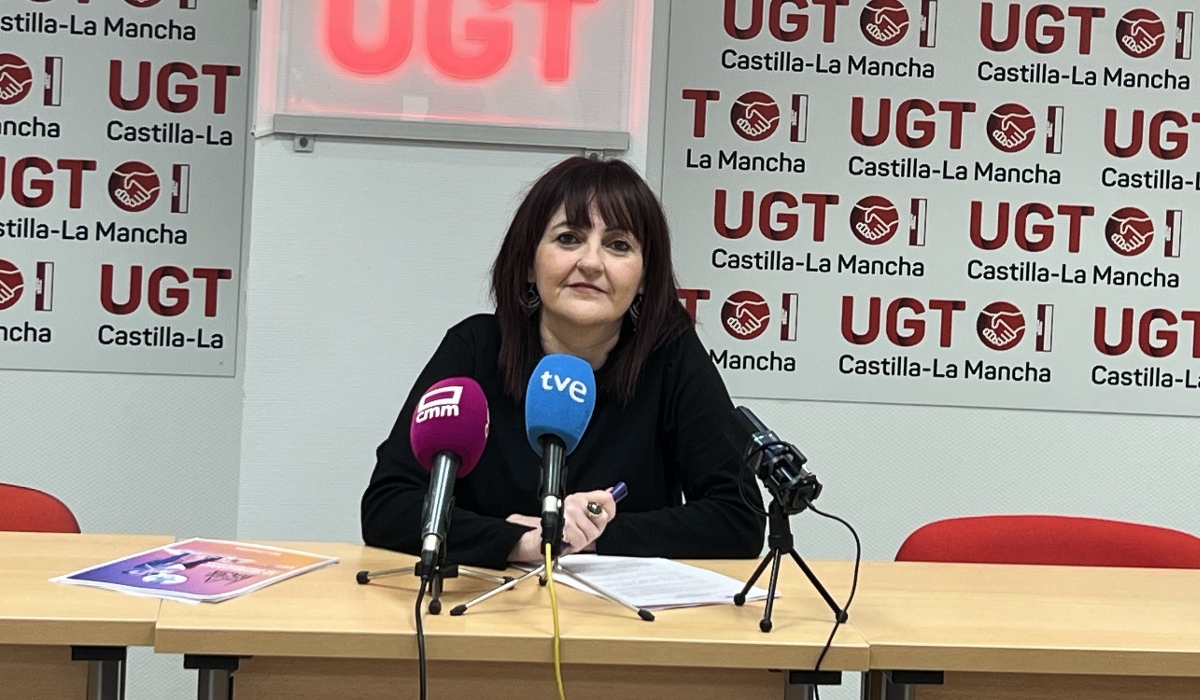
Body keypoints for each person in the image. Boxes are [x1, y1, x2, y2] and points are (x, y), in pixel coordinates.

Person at [361, 156, 765, 570]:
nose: (591, 263)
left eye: (618, 245)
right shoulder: (475, 348)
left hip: (618, 606)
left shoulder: (670, 357)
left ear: (645, 276)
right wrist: (519, 541)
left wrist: (593, 536)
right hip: (489, 601)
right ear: (529, 263)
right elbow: (389, 505)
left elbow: (739, 518)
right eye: (569, 238)